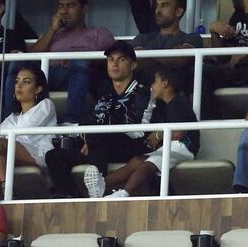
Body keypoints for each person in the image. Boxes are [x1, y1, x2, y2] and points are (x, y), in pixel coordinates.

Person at [45, 41, 155, 198]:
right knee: (54, 155)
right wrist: (87, 139)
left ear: (133, 65)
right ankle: (73, 198)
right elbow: (86, 121)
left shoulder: (143, 92)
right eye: (111, 59)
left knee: (99, 137)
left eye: (121, 59)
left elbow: (137, 130)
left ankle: (99, 187)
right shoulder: (105, 95)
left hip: (132, 146)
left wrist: (94, 136)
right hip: (99, 147)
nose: (114, 64)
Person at [84, 67, 200, 198]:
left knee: (148, 163)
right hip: (172, 147)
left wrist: (158, 135)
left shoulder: (178, 103)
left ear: (165, 83)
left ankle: (124, 193)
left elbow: (179, 134)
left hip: (185, 148)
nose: (152, 86)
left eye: (155, 82)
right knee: (136, 161)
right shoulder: (168, 106)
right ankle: (101, 184)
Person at [5, 0, 115, 123]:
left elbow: (113, 60)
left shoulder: (98, 33)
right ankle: (10, 119)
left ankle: (72, 122)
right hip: (48, 75)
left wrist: (80, 58)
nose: (64, 11)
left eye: (71, 5)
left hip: (80, 76)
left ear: (84, 10)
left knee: (78, 63)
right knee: (16, 62)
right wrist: (52, 29)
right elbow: (31, 58)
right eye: (61, 6)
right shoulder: (52, 34)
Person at [0, 65, 57, 192]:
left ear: (38, 89)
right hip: (12, 151)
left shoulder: (46, 105)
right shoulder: (13, 117)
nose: (19, 86)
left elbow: (24, 132)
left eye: (26, 82)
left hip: (38, 154)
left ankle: (6, 189)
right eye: (17, 81)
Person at [201, 0, 248, 119]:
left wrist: (244, 56)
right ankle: (211, 123)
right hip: (234, 71)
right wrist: (214, 31)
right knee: (200, 70)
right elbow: (222, 58)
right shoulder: (237, 15)